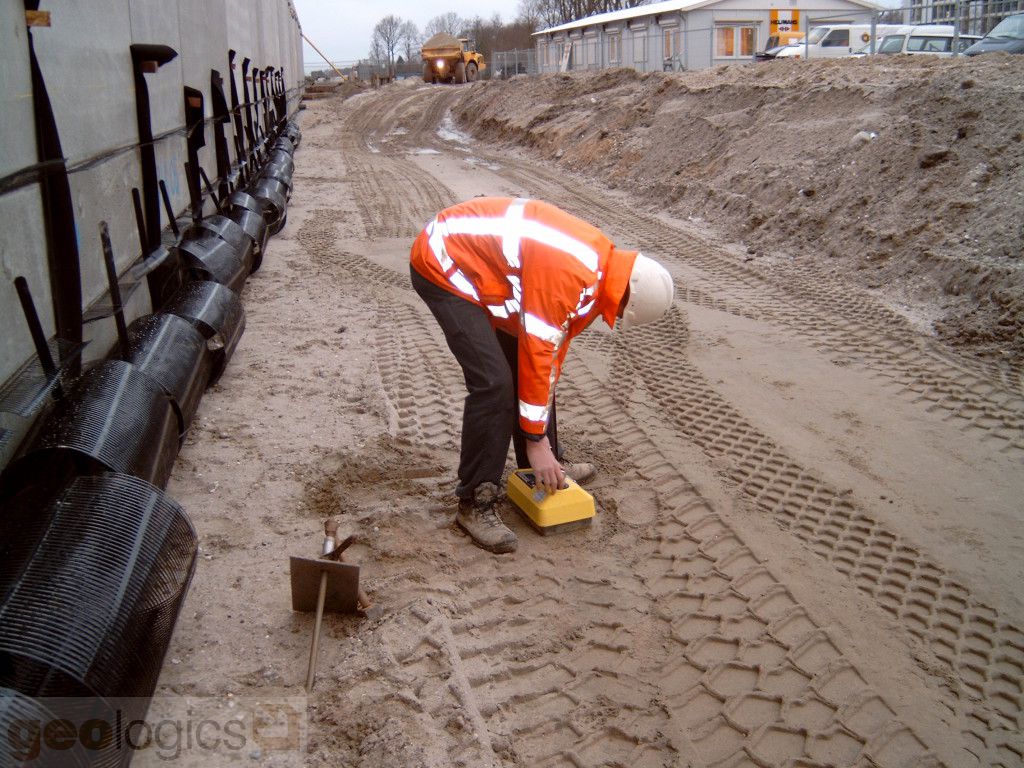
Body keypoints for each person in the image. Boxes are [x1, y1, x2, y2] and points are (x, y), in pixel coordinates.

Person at [409, 197, 674, 553]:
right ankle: (476, 500)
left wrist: (540, 441)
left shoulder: (599, 266)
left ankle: (541, 464)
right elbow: (538, 349)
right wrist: (537, 441)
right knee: (494, 384)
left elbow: (547, 355)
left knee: (530, 372)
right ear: (626, 299)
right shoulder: (572, 275)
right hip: (445, 264)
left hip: (487, 270)